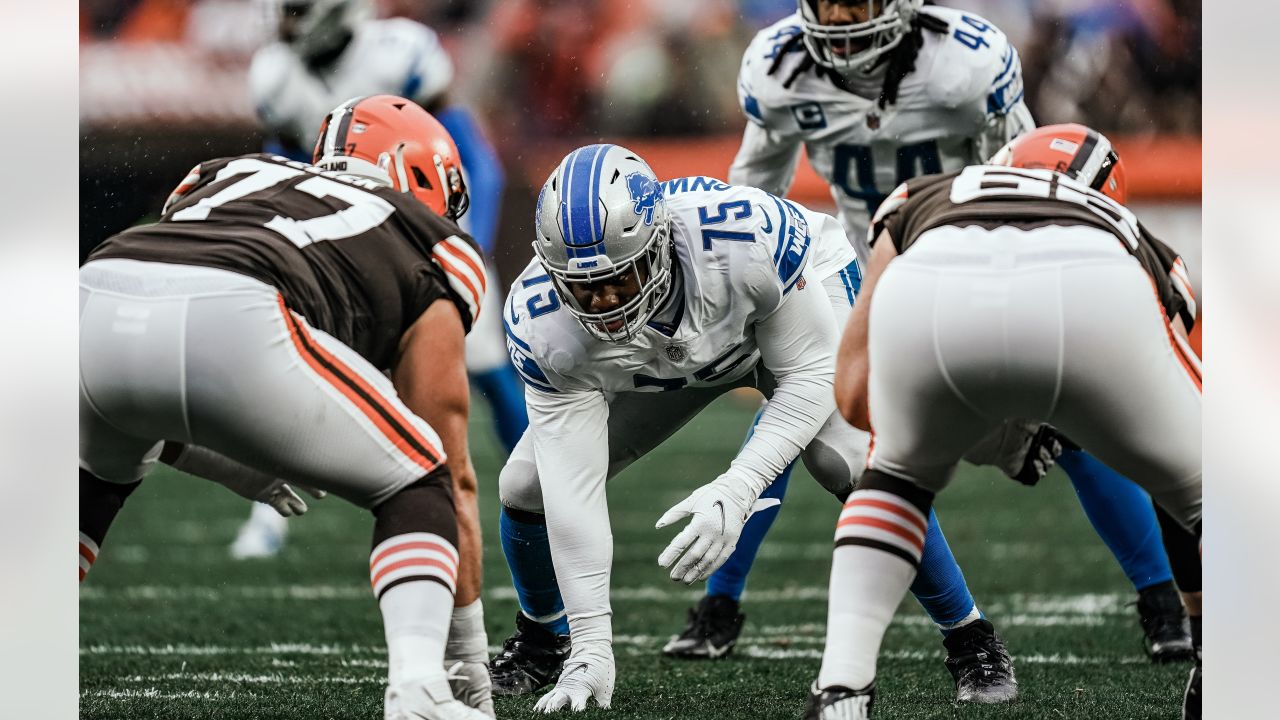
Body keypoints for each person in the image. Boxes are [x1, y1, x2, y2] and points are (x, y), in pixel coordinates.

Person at [671, 0, 1191, 666]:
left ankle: (1162, 602)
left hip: (970, 258)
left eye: (856, 2)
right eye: (828, 2)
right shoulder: (779, 66)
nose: (842, 18)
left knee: (1066, 415)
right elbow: (755, 186)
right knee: (800, 411)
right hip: (868, 274)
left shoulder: (966, 62)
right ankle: (720, 605)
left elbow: (1031, 171)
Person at [487, 143, 1068, 711]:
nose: (606, 302)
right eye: (584, 286)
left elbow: (812, 373)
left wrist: (740, 487)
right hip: (671, 355)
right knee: (527, 484)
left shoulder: (741, 240)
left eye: (620, 277)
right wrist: (594, 643)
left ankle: (971, 637)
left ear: (658, 241)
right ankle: (546, 639)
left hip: (790, 310)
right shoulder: (541, 321)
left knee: (848, 460)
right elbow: (573, 489)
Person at [79, 96, 494, 720]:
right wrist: (468, 661)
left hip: (92, 292)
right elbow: (452, 475)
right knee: (419, 476)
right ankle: (419, 691)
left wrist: (228, 463)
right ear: (420, 175)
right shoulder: (428, 240)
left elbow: (156, 344)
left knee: (91, 487)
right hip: (237, 306)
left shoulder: (231, 171)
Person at [806, 122, 1202, 719]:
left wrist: (958, 431)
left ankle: (841, 688)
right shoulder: (1130, 230)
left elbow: (855, 394)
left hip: (935, 276)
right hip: (1094, 281)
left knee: (894, 480)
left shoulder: (926, 193)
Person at [232, 0, 527, 559]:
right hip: (347, 238)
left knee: (489, 371)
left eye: (297, 9)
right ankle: (265, 519)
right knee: (299, 371)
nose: (286, 22)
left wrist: (467, 242)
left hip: (435, 227)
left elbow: (474, 160)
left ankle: (545, 495)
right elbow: (285, 176)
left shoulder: (399, 51)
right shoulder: (275, 72)